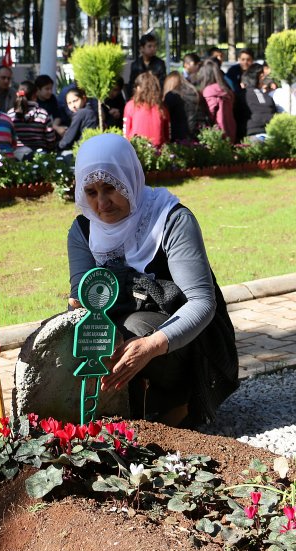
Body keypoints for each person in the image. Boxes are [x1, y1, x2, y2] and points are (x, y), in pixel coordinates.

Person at [67, 133, 239, 427]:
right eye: (91, 192)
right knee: (81, 332)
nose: (102, 203)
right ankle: (128, 408)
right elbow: (81, 298)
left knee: (132, 328)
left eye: (110, 188)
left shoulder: (171, 219)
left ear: (130, 178)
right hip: (128, 328)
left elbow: (201, 303)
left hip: (188, 336)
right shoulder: (83, 230)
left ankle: (182, 399)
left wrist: (149, 346)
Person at [7, 80, 55, 159]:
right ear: (34, 96)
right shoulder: (42, 114)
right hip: (40, 155)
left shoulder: (10, 114)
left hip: (17, 155)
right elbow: (50, 138)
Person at [123, 72, 170, 148]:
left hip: (136, 149)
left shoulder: (131, 105)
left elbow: (126, 133)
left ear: (139, 88)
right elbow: (167, 135)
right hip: (157, 150)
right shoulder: (162, 108)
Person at [196, 58, 237, 142]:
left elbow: (210, 113)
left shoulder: (208, 91)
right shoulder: (226, 90)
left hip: (216, 134)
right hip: (231, 131)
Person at [234, 63, 276, 141]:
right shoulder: (267, 96)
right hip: (271, 134)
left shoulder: (241, 95)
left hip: (250, 135)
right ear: (259, 77)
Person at [163, 71, 202, 141]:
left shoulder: (171, 95)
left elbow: (164, 118)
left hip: (179, 139)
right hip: (198, 136)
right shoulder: (195, 92)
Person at [57, 87, 98, 152]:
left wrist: (58, 147)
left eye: (75, 101)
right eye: (69, 103)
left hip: (82, 150)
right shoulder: (90, 111)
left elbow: (68, 139)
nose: (73, 106)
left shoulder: (81, 113)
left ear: (84, 99)